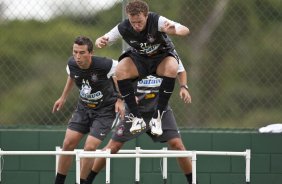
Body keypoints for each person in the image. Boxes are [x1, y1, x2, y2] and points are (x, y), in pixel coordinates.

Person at [84, 60, 195, 184]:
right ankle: (88, 180)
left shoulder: (165, 54)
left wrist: (183, 87)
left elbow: (180, 69)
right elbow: (117, 77)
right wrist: (125, 96)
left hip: (160, 111)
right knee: (113, 147)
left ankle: (192, 182)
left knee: (178, 145)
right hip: (135, 112)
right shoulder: (132, 56)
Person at [95, 0, 190, 136]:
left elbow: (185, 29)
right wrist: (100, 41)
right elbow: (104, 39)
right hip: (140, 60)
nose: (136, 26)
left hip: (160, 59)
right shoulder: (123, 27)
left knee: (172, 66)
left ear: (146, 15)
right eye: (133, 22)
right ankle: (136, 118)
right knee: (120, 69)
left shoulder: (157, 20)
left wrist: (176, 31)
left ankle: (157, 117)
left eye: (139, 21)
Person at [52, 36, 124, 184]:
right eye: (75, 52)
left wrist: (120, 99)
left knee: (90, 146)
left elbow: (123, 73)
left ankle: (83, 182)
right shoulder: (71, 64)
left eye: (82, 52)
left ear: (91, 53)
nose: (78, 56)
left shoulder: (106, 65)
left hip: (105, 111)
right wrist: (63, 97)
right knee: (68, 143)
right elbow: (72, 76)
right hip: (84, 108)